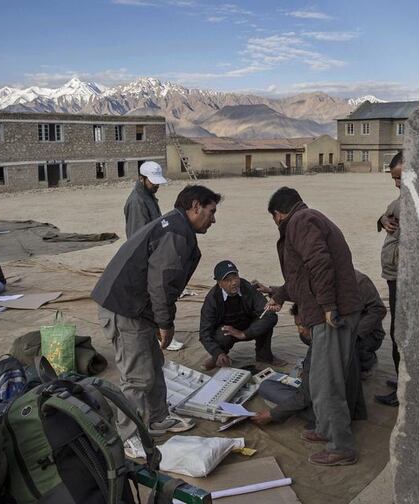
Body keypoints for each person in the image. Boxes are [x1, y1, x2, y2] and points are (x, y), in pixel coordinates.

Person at [91, 185, 221, 455]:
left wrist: (161, 319)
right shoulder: (175, 232)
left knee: (154, 364)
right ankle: (129, 437)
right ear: (195, 206)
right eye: (211, 211)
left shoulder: (176, 226)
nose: (214, 219)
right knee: (137, 378)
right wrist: (165, 323)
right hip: (126, 309)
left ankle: (158, 417)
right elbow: (161, 283)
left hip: (137, 308)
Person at [263, 187, 362, 467]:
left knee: (328, 381)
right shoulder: (307, 220)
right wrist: (280, 295)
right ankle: (326, 429)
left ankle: (341, 447)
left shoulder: (301, 221)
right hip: (325, 311)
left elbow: (319, 263)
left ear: (278, 214)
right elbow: (301, 275)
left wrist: (329, 306)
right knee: (320, 379)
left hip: (331, 314)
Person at [251, 303, 366, 429]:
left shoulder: (321, 347)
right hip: (350, 406)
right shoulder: (341, 337)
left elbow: (304, 398)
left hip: (328, 413)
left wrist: (272, 415)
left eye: (302, 325)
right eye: (297, 325)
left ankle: (320, 423)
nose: (299, 330)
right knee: (287, 378)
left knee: (266, 386)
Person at [256, 268, 386, 378]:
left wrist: (352, 334)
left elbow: (378, 310)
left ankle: (366, 362)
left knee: (351, 352)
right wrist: (272, 291)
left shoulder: (358, 282)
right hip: (336, 326)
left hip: (365, 333)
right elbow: (301, 291)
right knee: (308, 334)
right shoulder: (319, 277)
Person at [198, 260, 284, 371]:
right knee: (222, 334)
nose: (234, 283)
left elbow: (266, 311)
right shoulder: (212, 299)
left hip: (249, 326)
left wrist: (244, 334)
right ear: (219, 283)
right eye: (228, 280)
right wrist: (217, 352)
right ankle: (219, 357)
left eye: (235, 277)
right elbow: (204, 333)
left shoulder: (247, 287)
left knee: (269, 318)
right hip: (228, 330)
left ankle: (264, 356)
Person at [375, 153, 403, 407]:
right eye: (394, 178)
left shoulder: (417, 201)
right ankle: (402, 379)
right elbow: (385, 215)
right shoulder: (401, 200)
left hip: (404, 279)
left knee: (400, 333)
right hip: (394, 275)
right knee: (396, 330)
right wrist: (382, 220)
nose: (397, 183)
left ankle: (403, 389)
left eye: (400, 178)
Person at [124, 161, 166, 239]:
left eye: (158, 182)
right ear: (141, 179)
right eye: (153, 181)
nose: (157, 185)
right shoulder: (136, 202)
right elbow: (137, 238)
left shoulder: (149, 194)